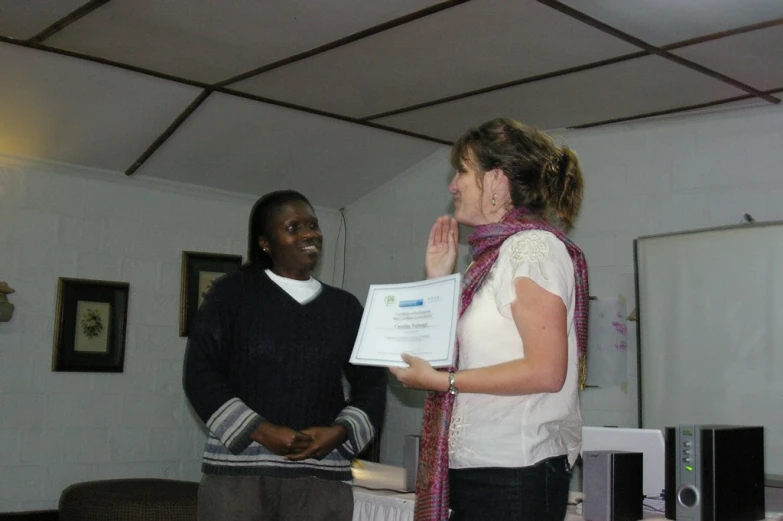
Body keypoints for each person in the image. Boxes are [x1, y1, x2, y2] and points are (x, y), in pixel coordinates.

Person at [390, 118, 589, 521]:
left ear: (496, 182)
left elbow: (547, 371)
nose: (453, 184)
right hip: (482, 465)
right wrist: (440, 280)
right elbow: (462, 351)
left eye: (463, 171)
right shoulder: (492, 259)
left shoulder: (531, 249)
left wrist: (441, 382)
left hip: (516, 468)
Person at [183, 190, 387, 521]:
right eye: (293, 227)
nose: (310, 234)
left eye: (313, 225)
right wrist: (260, 430)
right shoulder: (230, 295)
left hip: (321, 480)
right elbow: (200, 374)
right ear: (265, 243)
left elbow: (373, 383)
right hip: (238, 481)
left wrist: (339, 432)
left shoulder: (345, 308)